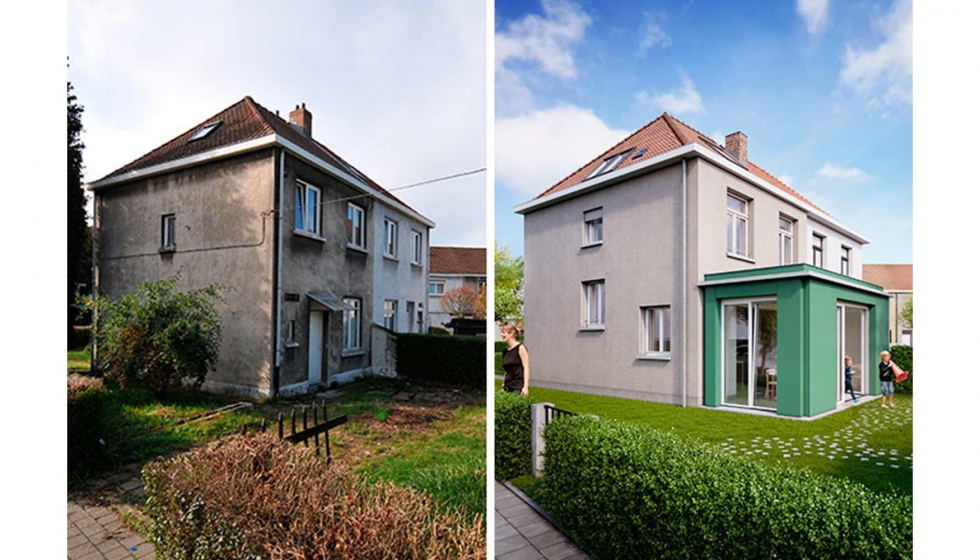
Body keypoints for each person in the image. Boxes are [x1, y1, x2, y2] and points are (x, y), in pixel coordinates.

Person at [500, 323, 529, 397]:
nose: (501, 335)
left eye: (504, 333)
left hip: (517, 387)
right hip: (507, 387)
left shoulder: (520, 348)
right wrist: (503, 384)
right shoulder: (505, 351)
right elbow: (507, 371)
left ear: (512, 334)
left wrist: (525, 387)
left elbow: (526, 368)